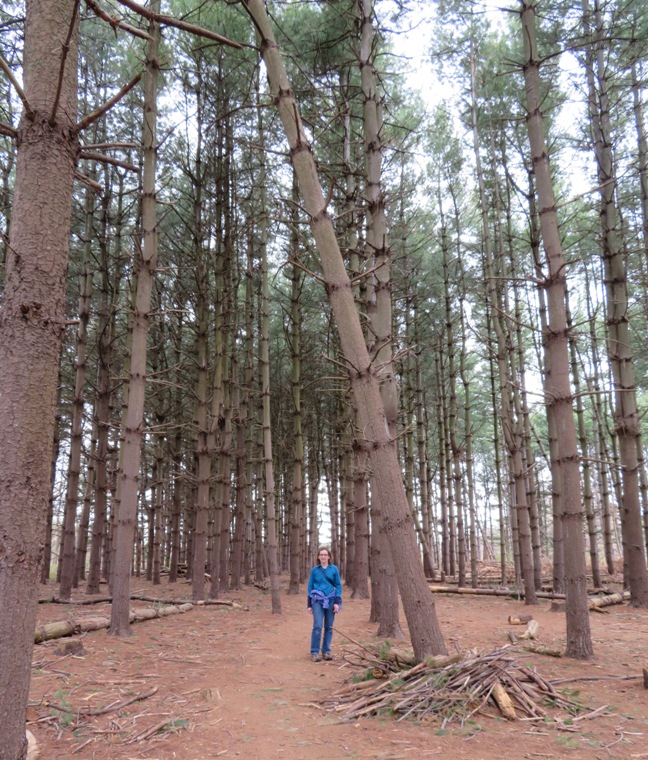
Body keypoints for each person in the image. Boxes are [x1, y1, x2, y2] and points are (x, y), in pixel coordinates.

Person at [307, 546, 342, 662]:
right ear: (318, 557)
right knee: (317, 626)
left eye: (325, 554)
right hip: (317, 600)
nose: (323, 556)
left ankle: (326, 651)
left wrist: (337, 602)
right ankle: (314, 652)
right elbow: (310, 586)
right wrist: (309, 604)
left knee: (329, 627)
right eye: (321, 554)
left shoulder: (334, 569)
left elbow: (338, 586)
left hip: (331, 600)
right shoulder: (315, 570)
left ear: (329, 557)